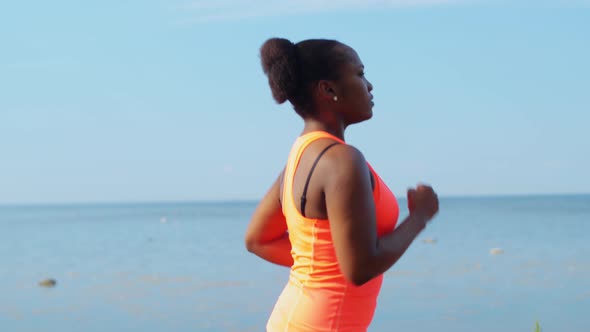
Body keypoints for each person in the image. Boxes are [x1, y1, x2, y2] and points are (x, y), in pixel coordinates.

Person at [244, 37, 439, 332]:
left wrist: (322, 267)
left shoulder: (300, 154)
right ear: (328, 89)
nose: (370, 86)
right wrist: (419, 217)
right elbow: (360, 269)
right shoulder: (342, 162)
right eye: (360, 74)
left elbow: (258, 239)